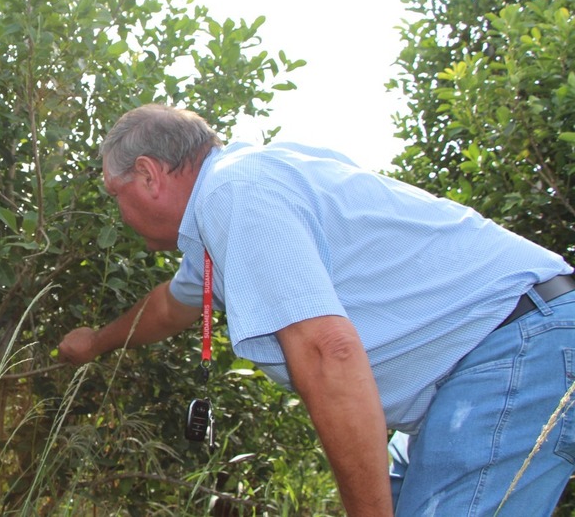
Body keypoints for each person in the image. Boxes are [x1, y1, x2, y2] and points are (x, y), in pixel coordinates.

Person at [58, 103, 575, 516]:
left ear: (148, 175)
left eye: (114, 193)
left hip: (514, 343)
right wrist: (95, 342)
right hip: (499, 350)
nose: (117, 210)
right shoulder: (233, 204)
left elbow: (328, 352)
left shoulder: (234, 191)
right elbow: (171, 307)